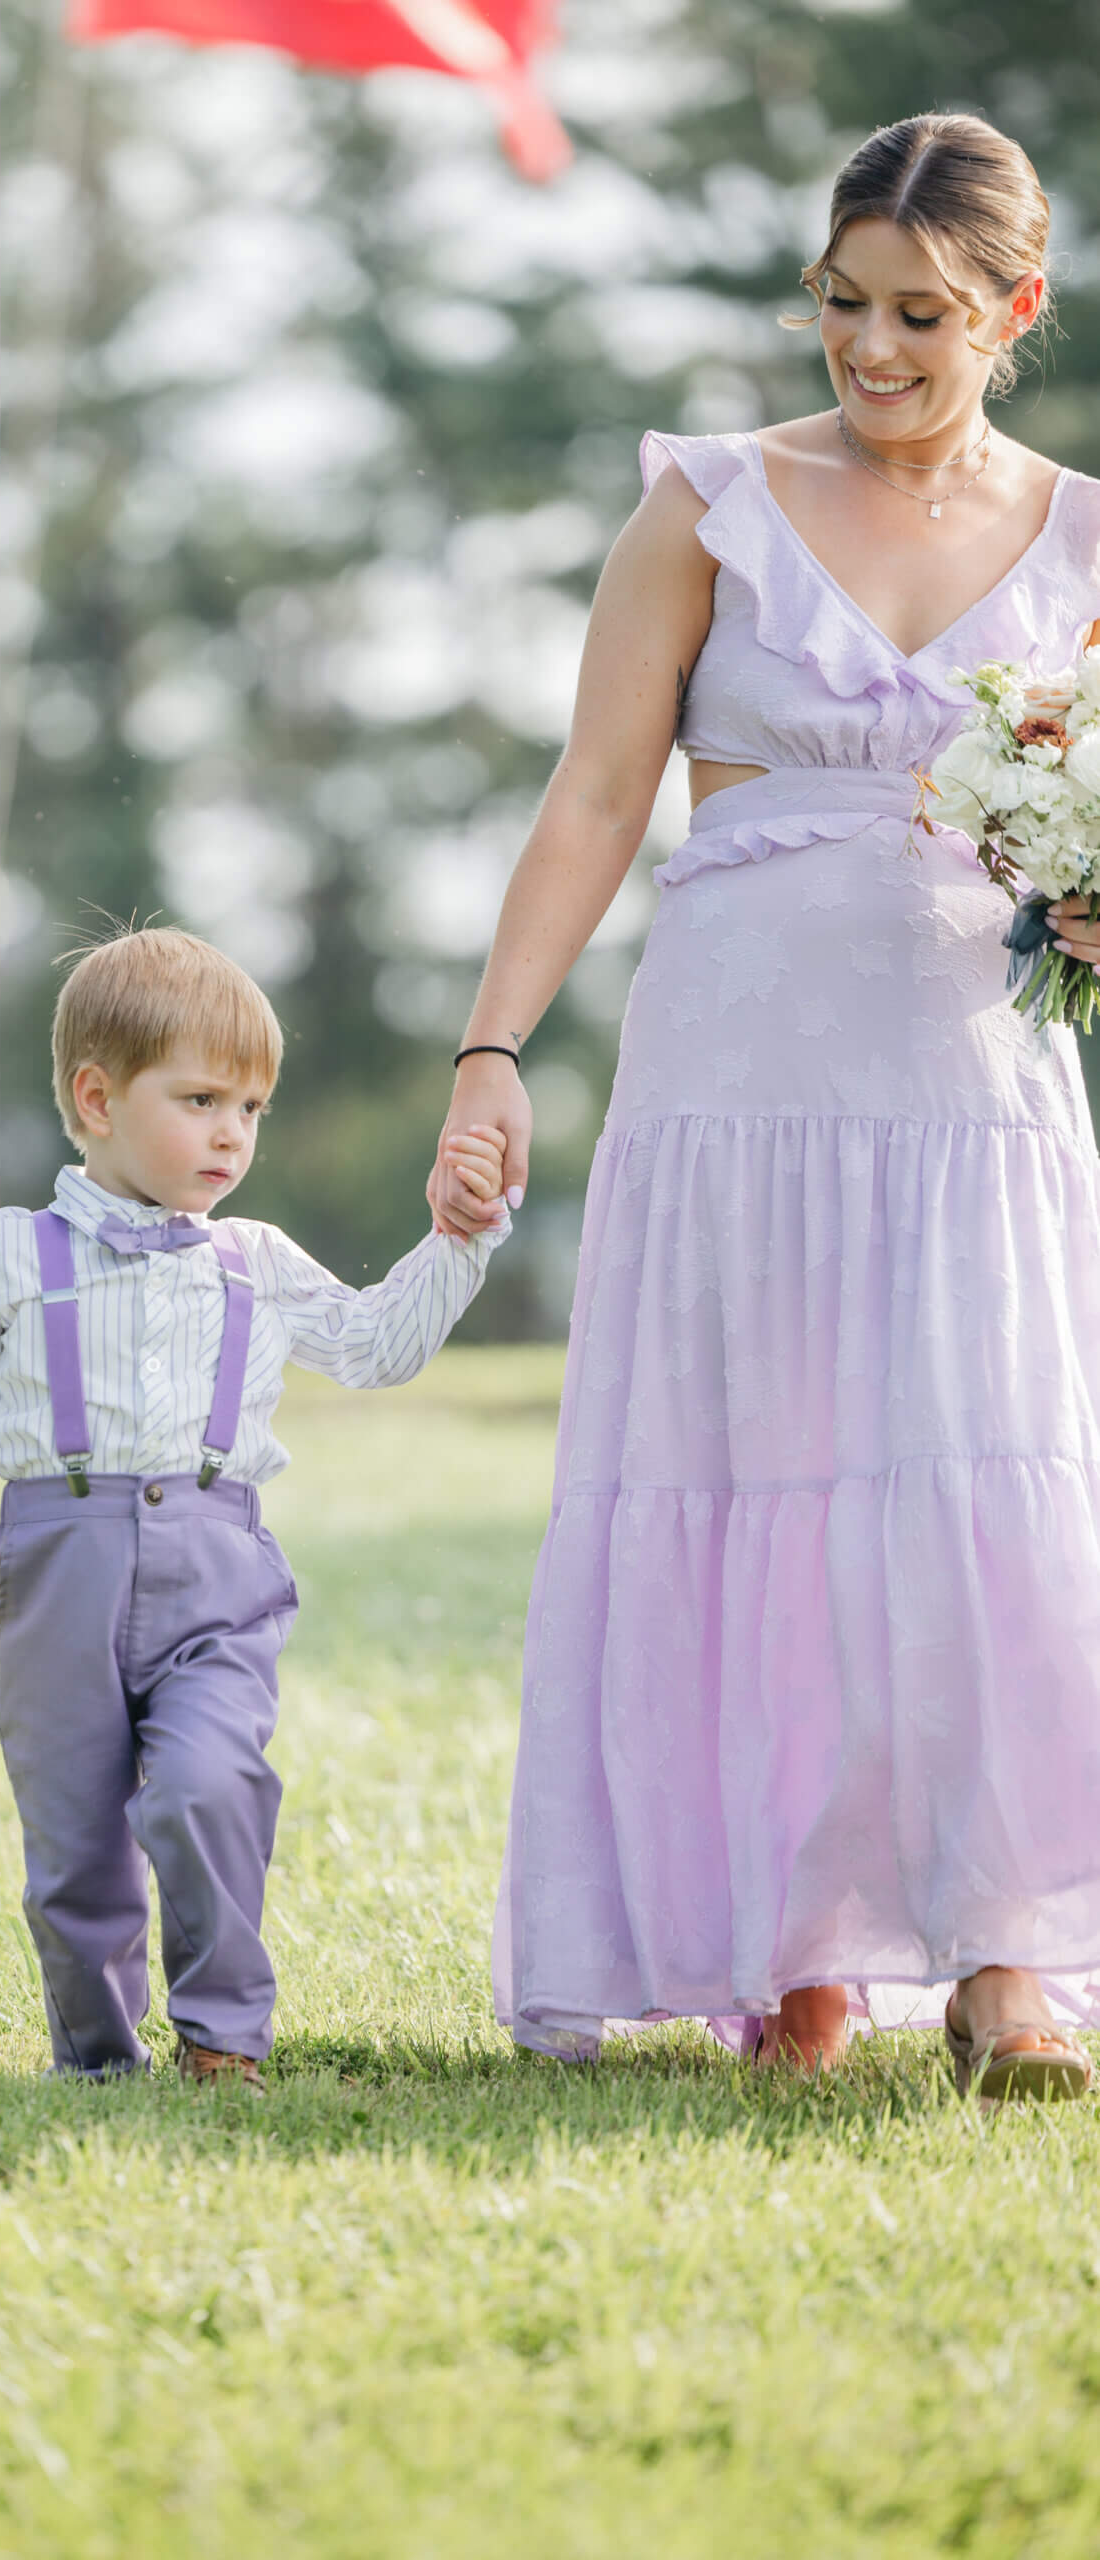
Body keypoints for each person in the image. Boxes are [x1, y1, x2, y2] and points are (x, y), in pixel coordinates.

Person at [428, 113, 1100, 2097]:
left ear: (1012, 312)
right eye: (837, 306)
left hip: (972, 1088)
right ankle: (786, 1952)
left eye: (918, 316)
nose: (868, 350)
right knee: (760, 1482)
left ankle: (1005, 1963)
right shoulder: (705, 508)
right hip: (736, 1079)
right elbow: (589, 802)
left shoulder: (1081, 534)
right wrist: (487, 1050)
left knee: (985, 1482)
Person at [0, 926, 508, 2089]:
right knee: (75, 1851)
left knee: (207, 1782)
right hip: (59, 1573)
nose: (234, 1131)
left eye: (254, 1107)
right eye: (204, 1097)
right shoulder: (7, 1253)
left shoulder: (254, 1260)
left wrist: (459, 1241)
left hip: (218, 1570)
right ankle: (98, 2060)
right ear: (98, 1095)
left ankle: (223, 2038)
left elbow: (375, 1345)